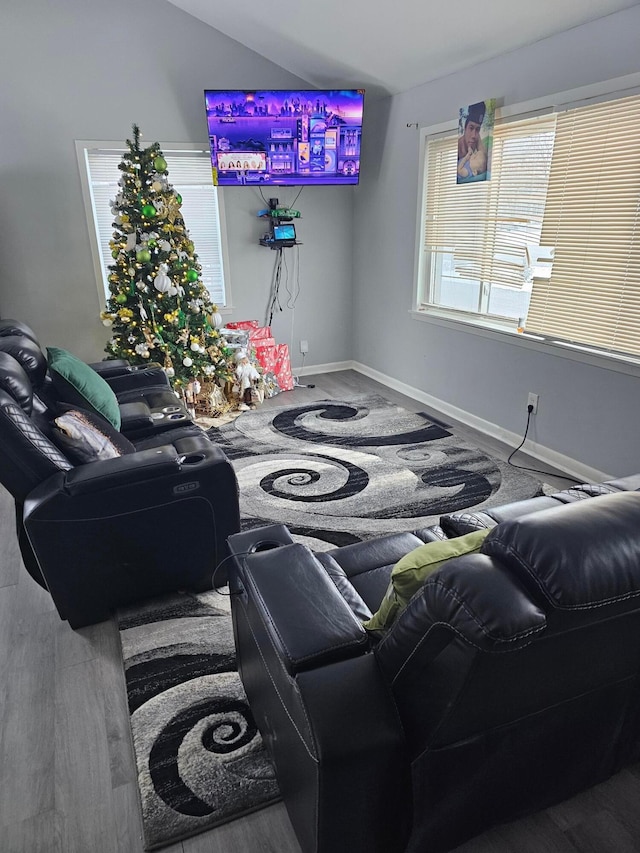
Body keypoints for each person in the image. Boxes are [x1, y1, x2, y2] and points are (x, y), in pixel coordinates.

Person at [457, 102, 487, 180]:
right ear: (465, 128)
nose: (474, 135)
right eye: (471, 128)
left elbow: (483, 159)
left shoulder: (476, 138)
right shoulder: (458, 146)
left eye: (477, 129)